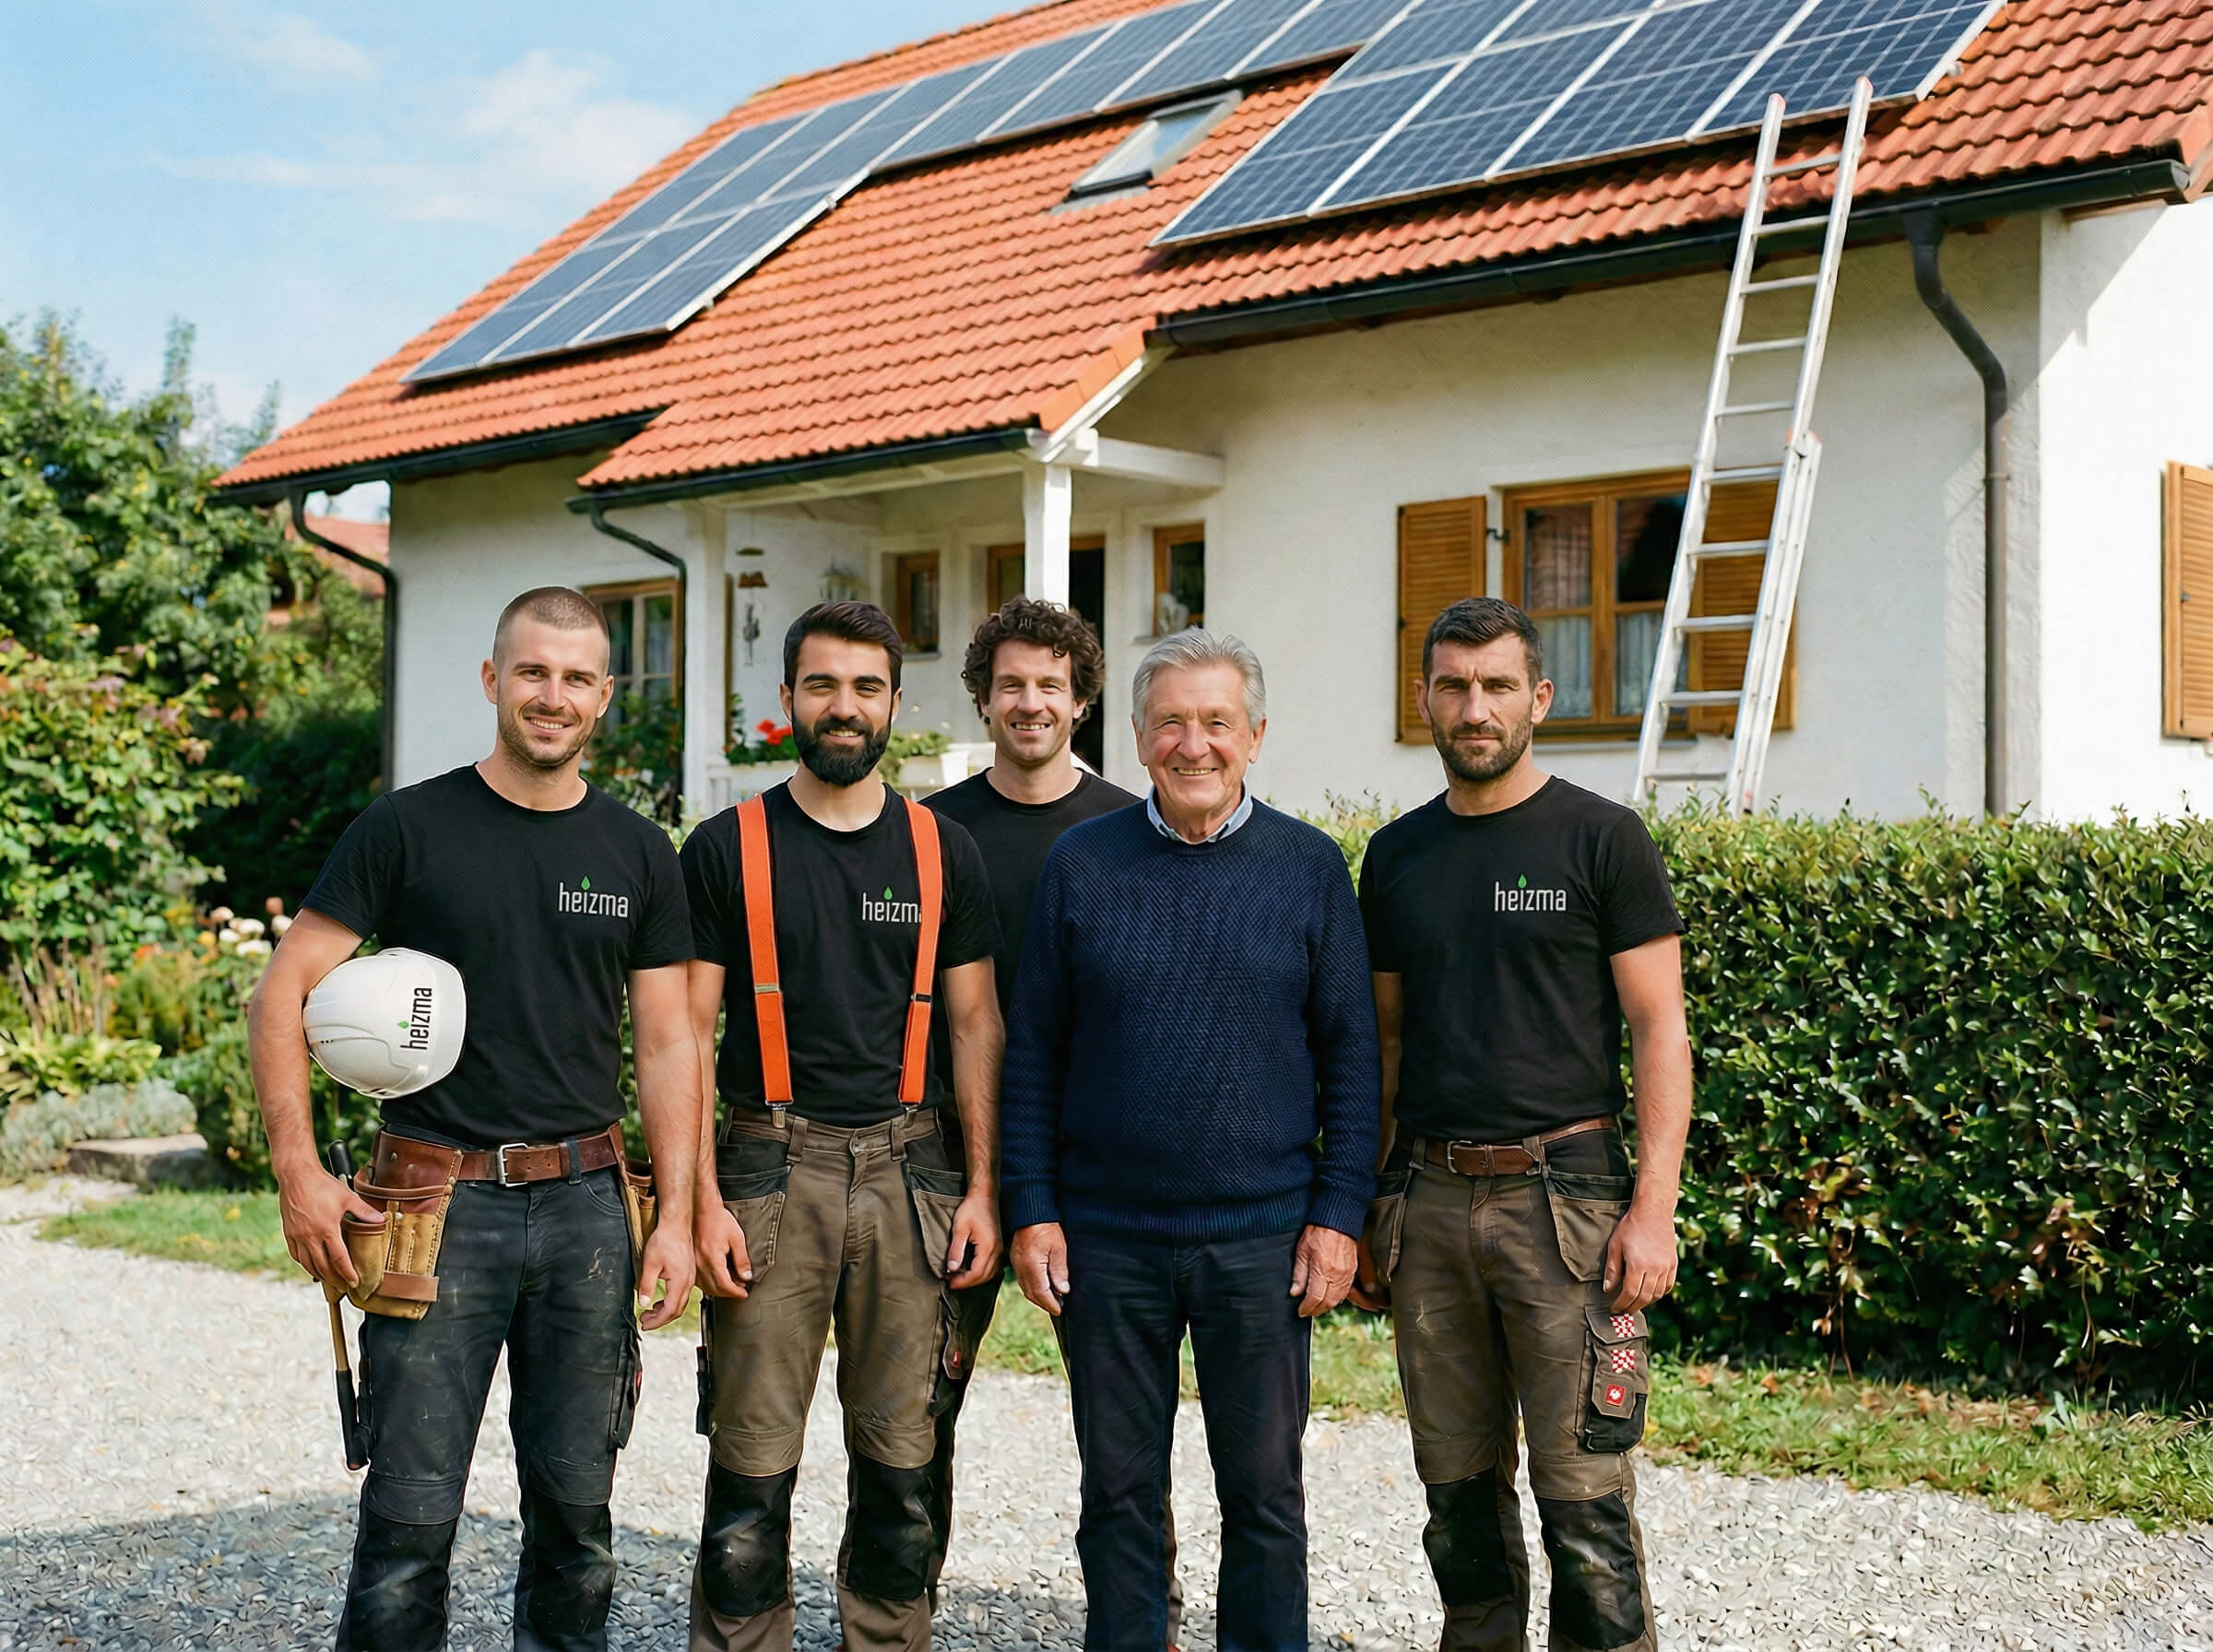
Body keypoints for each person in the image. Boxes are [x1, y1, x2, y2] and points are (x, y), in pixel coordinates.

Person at [249, 585, 701, 1652]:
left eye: (578, 677)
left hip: (591, 1209)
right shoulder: (408, 827)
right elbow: (284, 990)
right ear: (494, 680)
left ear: (604, 698)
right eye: (533, 671)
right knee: (409, 1521)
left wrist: (675, 1212)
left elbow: (670, 1041)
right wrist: (300, 1170)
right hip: (430, 1205)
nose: (554, 695)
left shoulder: (639, 852)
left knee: (577, 1525)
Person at [1002, 628, 1379, 1652]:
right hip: (1108, 1240)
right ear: (1135, 737)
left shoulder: (1306, 868)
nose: (1193, 743)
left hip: (1260, 1240)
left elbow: (1351, 1056)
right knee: (1118, 1494)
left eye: (1217, 721)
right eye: (1170, 721)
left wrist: (1338, 1215)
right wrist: (1031, 1205)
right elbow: (1032, 1050)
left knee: (1264, 1495)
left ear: (1255, 736)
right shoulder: (1081, 866)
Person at [1355, 596, 1692, 1652]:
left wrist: (1655, 1210)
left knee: (1583, 1494)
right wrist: (1369, 1196)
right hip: (1432, 1203)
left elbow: (1660, 1030)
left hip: (1571, 1205)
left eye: (1498, 684)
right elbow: (1386, 1047)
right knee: (1455, 1491)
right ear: (1424, 701)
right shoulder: (1397, 856)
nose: (1475, 705)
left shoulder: (1603, 838)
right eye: (1453, 684)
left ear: (1538, 698)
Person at [681, 600, 1004, 1652]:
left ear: (897, 706)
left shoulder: (942, 849)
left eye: (867, 687)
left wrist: (985, 1193)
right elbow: (683, 1035)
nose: (844, 705)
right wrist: (694, 1205)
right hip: (769, 1171)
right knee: (750, 1466)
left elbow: (974, 1025)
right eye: (822, 685)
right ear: (787, 702)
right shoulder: (726, 847)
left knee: (903, 1467)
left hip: (913, 1173)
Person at [918, 597, 1139, 1608]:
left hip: (1089, 1164)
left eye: (1052, 685)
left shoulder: (1130, 832)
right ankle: (896, 1614)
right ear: (982, 695)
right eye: (1012, 683)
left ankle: (1140, 1621)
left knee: (1119, 1419)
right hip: (938, 1156)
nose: (1031, 702)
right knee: (913, 1412)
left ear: (1082, 700)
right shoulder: (928, 832)